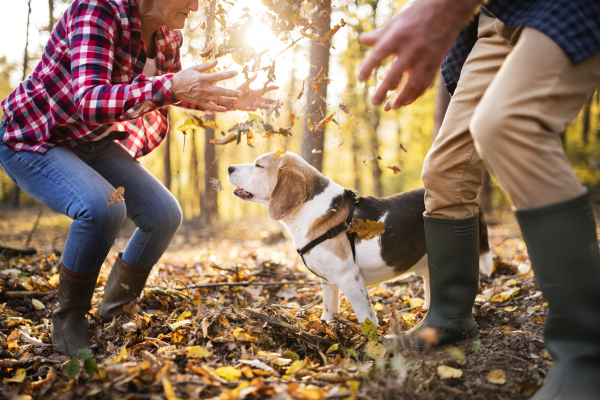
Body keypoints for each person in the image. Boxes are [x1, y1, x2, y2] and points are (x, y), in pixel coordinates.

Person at [0, 0, 276, 357]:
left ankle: (115, 309)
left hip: (91, 140)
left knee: (163, 215)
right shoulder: (96, 11)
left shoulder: (167, 36)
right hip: (33, 136)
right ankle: (69, 319)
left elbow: (177, 90)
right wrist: (172, 85)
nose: (194, 6)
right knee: (101, 208)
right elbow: (90, 100)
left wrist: (231, 99)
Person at [357, 0, 600, 399]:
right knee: (444, 171)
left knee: (507, 123)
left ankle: (585, 352)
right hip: (495, 15)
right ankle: (450, 317)